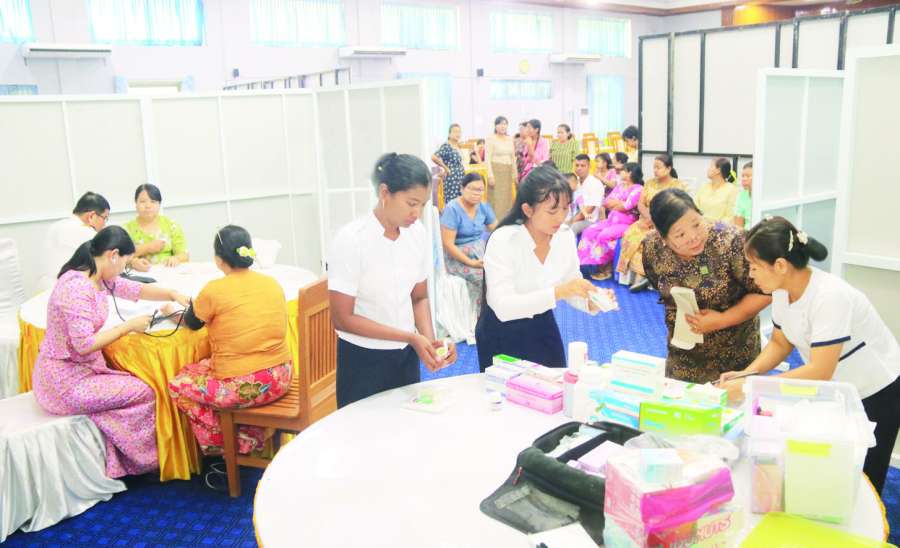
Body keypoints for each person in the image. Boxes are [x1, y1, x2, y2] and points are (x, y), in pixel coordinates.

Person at [720, 217, 900, 494]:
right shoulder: (782, 291)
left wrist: (750, 386)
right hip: (841, 386)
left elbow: (820, 371)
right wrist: (747, 374)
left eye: (754, 267)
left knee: (864, 475)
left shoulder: (830, 296)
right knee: (835, 467)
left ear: (780, 265)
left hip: (878, 387)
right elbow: (780, 343)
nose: (751, 274)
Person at [32, 226, 190, 478]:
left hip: (85, 370)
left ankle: (117, 458)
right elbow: (84, 344)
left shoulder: (97, 276)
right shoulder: (76, 288)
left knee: (140, 385)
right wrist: (128, 327)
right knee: (146, 392)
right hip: (63, 381)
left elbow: (135, 290)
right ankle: (131, 463)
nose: (122, 270)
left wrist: (172, 293)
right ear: (113, 255)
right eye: (124, 264)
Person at [329, 153, 458, 408]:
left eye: (422, 205)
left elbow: (418, 297)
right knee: (363, 429)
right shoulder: (352, 239)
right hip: (364, 358)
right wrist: (410, 337)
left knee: (407, 426)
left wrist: (430, 343)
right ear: (385, 193)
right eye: (411, 203)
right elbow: (342, 318)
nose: (417, 213)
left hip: (405, 357)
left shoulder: (416, 234)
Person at [166, 225, 293, 461]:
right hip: (282, 376)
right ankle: (253, 430)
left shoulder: (214, 290)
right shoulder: (271, 283)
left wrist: (169, 312)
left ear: (218, 259)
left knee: (179, 384)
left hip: (246, 386)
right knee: (201, 368)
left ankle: (234, 443)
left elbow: (192, 323)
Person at [475, 165, 615, 371]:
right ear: (527, 210)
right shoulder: (504, 240)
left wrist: (591, 302)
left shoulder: (564, 236)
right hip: (502, 332)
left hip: (542, 324)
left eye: (565, 208)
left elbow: (571, 283)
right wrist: (560, 292)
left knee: (555, 386)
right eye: (552, 211)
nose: (560, 218)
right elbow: (503, 307)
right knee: (508, 390)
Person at [643, 189, 770, 384]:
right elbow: (660, 286)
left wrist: (723, 319)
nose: (694, 237)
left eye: (696, 224)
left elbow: (765, 292)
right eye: (680, 234)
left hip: (733, 351)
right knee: (681, 399)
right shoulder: (653, 248)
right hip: (684, 351)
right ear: (662, 237)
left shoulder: (732, 243)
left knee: (732, 400)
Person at [617, 154, 685, 293]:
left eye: (658, 167)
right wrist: (648, 217)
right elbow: (641, 204)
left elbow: (676, 208)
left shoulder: (677, 186)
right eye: (654, 167)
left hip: (665, 223)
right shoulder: (649, 183)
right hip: (646, 219)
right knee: (630, 234)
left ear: (668, 168)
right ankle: (637, 276)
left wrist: (654, 219)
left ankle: (642, 276)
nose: (655, 170)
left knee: (647, 239)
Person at [440, 173, 498, 317]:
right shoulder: (452, 209)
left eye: (480, 190)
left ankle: (497, 314)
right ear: (462, 188)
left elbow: (497, 230)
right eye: (472, 189)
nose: (477, 193)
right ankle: (479, 316)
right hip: (458, 256)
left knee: (500, 274)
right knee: (482, 278)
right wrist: (471, 263)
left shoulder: (483, 207)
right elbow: (448, 244)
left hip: (480, 252)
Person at [577, 162, 644, 279]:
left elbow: (626, 206)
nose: (620, 173)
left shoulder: (638, 189)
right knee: (589, 231)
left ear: (630, 173)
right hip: (610, 221)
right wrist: (619, 203)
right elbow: (606, 202)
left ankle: (606, 268)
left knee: (604, 235)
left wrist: (616, 204)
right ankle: (587, 264)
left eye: (623, 171)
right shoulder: (620, 186)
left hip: (626, 224)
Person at [38, 191, 110, 291]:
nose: (104, 224)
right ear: (91, 216)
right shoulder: (86, 232)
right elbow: (107, 263)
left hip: (43, 290)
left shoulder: (55, 226)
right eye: (105, 218)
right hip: (66, 291)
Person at [124, 184, 189, 269]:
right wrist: (146, 249)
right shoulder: (126, 229)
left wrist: (176, 258)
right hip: (140, 274)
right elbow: (121, 257)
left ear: (159, 204)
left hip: (169, 271)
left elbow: (184, 255)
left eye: (153, 201)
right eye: (143, 201)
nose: (148, 206)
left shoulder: (171, 225)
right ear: (136, 203)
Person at [485, 116, 516, 219]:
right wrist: (490, 176)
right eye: (500, 124)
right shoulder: (491, 138)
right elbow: (487, 158)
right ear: (495, 126)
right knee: (496, 198)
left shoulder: (510, 139)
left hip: (507, 172)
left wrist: (515, 174)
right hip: (496, 171)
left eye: (505, 124)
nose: (503, 126)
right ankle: (494, 222)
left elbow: (513, 157)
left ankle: (505, 220)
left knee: (506, 198)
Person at [696, 158, 739, 223]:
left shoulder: (732, 190)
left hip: (720, 228)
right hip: (702, 226)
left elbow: (730, 217)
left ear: (718, 170)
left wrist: (716, 227)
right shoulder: (704, 187)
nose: (708, 169)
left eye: (710, 166)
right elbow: (694, 208)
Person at [432, 124, 466, 204]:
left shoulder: (457, 146)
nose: (458, 134)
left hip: (460, 178)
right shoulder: (446, 146)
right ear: (449, 134)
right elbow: (434, 157)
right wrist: (446, 168)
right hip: (452, 179)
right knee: (452, 202)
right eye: (455, 132)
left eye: (459, 132)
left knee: (461, 203)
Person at [573, 153, 605, 225]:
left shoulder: (595, 183)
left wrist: (570, 223)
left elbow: (589, 210)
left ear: (589, 167)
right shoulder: (574, 182)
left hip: (589, 220)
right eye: (577, 165)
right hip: (575, 216)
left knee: (571, 228)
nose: (579, 168)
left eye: (582, 166)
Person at [733, 161, 753, 229]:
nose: (744, 179)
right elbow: (738, 226)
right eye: (743, 176)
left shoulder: (764, 199)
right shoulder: (742, 195)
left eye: (748, 176)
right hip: (746, 233)